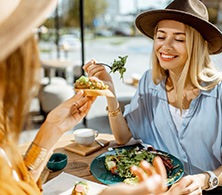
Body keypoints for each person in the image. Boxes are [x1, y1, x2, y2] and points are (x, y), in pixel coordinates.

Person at [0, 1, 192, 195]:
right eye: (32, 33)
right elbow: (123, 137)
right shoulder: (148, 81)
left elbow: (18, 184)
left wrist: (52, 128)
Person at [84, 0, 222, 194]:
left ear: (197, 45)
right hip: (171, 189)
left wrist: (204, 180)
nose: (166, 46)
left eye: (179, 39)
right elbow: (122, 138)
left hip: (219, 187)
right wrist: (110, 93)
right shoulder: (149, 82)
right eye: (161, 37)